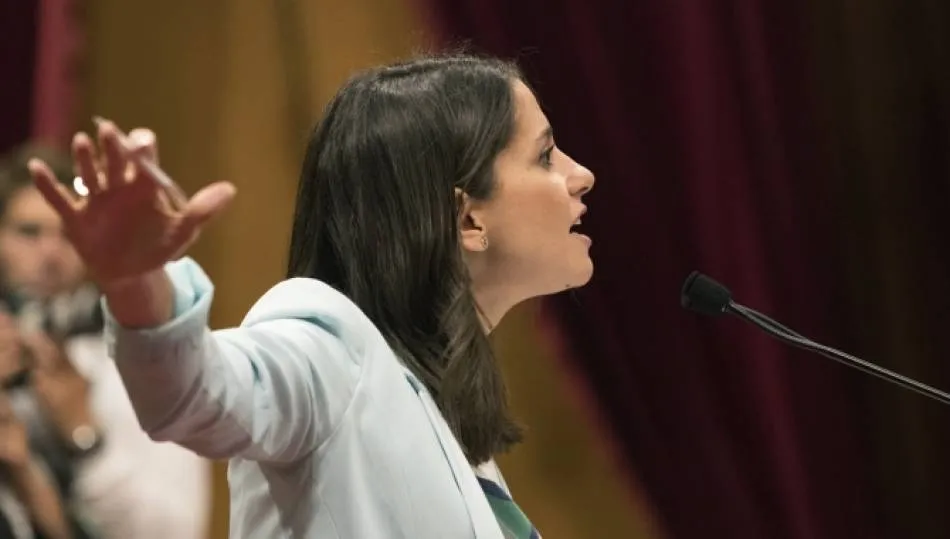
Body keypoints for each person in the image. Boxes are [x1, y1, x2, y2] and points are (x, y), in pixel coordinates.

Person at [27, 53, 595, 538]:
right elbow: (196, 392)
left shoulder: (441, 409)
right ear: (468, 218)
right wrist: (135, 281)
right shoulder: (328, 343)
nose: (581, 175)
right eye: (545, 156)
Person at [0, 143, 211, 538]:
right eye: (28, 232)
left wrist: (83, 430)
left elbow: (176, 532)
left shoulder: (137, 358)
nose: (49, 253)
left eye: (68, 234)